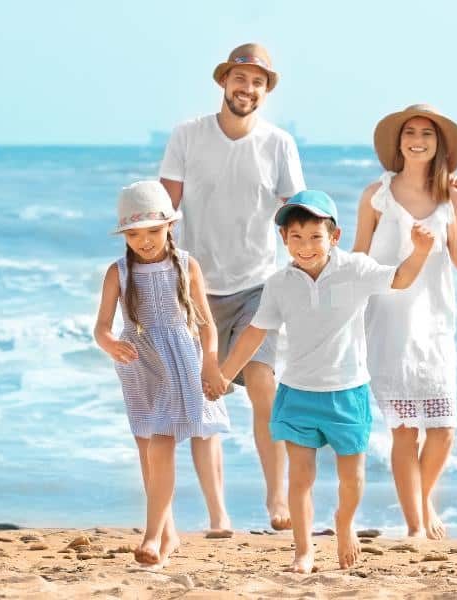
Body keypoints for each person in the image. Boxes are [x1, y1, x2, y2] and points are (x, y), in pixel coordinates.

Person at [206, 190, 435, 573]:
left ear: (334, 236)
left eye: (315, 237)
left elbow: (400, 278)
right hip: (297, 393)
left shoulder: (355, 269)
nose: (306, 246)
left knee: (353, 477)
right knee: (300, 477)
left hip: (348, 392)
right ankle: (304, 550)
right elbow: (255, 332)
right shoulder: (279, 283)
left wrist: (421, 250)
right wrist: (225, 375)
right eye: (295, 237)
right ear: (283, 240)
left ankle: (344, 525)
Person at [159, 43, 305, 531]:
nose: (248, 89)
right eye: (240, 79)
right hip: (195, 288)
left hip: (256, 287)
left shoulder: (279, 144)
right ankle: (219, 516)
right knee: (205, 397)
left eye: (258, 82)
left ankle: (276, 500)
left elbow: (295, 214)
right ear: (224, 81)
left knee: (263, 385)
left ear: (266, 90)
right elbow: (166, 208)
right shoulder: (187, 135)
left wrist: (311, 272)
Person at [352, 104, 457, 540]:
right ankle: (415, 526)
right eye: (410, 132)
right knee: (404, 432)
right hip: (387, 322)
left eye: (427, 133)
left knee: (443, 429)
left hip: (435, 323)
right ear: (398, 141)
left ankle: (423, 501)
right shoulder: (376, 196)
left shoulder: (448, 197)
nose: (418, 139)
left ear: (439, 144)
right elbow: (358, 259)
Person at [94, 181, 231, 567]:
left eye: (153, 231)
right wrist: (109, 343)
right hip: (139, 365)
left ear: (170, 226)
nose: (145, 241)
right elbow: (101, 326)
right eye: (134, 234)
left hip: (179, 363)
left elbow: (206, 324)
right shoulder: (117, 272)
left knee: (161, 442)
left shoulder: (185, 265)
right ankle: (168, 534)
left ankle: (151, 537)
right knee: (148, 451)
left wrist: (210, 361)